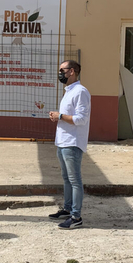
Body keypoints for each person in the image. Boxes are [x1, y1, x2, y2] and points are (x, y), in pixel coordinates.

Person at [48, 60, 91, 229]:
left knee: (75, 180)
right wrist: (58, 117)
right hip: (63, 141)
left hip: (73, 143)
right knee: (66, 179)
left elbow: (81, 119)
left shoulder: (81, 92)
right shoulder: (69, 91)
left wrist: (59, 116)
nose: (59, 73)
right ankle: (67, 209)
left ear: (71, 71)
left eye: (62, 70)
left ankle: (76, 216)